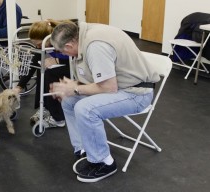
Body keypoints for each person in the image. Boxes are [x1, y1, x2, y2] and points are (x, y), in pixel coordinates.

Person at [50, 22, 160, 182]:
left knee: (85, 109)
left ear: (69, 44)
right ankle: (84, 150)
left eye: (62, 51)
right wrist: (73, 88)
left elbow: (108, 87)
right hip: (121, 86)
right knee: (69, 102)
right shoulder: (83, 34)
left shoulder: (95, 46)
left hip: (137, 93)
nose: (65, 55)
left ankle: (104, 162)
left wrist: (75, 88)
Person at [14, 19, 71, 128]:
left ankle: (58, 119)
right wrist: (19, 86)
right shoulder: (44, 44)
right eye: (35, 44)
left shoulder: (64, 40)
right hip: (62, 68)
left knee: (49, 72)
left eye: (39, 44)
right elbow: (32, 66)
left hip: (75, 69)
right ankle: (45, 107)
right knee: (42, 68)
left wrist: (57, 61)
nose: (38, 47)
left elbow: (76, 57)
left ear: (49, 38)